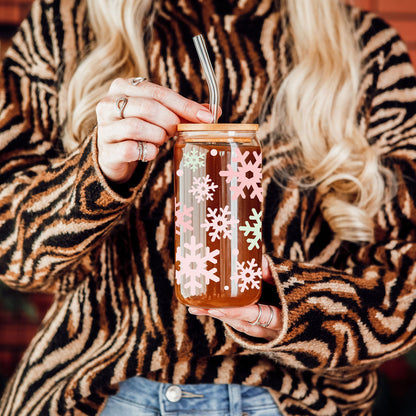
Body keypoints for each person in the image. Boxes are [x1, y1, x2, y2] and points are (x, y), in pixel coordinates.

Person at [0, 0, 416, 414]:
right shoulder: (64, 25)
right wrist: (98, 173)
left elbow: (407, 285)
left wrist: (292, 311)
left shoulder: (367, 49)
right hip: (95, 393)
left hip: (293, 398)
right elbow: (12, 254)